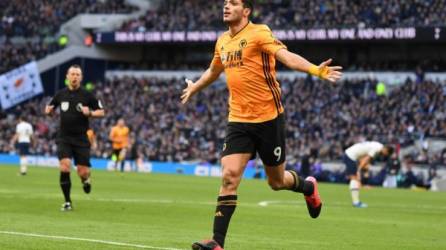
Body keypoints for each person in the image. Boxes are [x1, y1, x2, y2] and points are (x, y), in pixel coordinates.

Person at [181, 1, 342, 249]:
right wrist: (195, 87)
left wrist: (314, 69)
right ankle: (217, 242)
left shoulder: (259, 33)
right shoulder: (222, 40)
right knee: (229, 176)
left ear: (246, 11)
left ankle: (309, 187)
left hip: (269, 119)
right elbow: (214, 71)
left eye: (233, 3)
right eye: (225, 2)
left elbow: (285, 56)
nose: (226, 6)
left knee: (276, 182)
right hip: (238, 120)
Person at [45, 65, 105, 211]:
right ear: (67, 76)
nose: (75, 77)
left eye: (78, 74)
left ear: (81, 77)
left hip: (81, 139)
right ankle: (67, 202)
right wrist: (48, 112)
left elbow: (102, 112)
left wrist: (90, 113)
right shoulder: (60, 94)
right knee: (65, 166)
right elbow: (50, 109)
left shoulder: (87, 95)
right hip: (64, 137)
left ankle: (86, 180)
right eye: (72, 74)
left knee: (82, 171)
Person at [343, 141, 393, 208]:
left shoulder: (378, 145)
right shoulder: (376, 148)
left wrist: (363, 167)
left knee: (354, 178)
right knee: (354, 178)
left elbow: (363, 156)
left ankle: (356, 202)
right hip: (350, 156)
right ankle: (356, 202)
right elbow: (365, 159)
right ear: (386, 150)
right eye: (386, 154)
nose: (384, 155)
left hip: (351, 155)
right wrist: (359, 169)